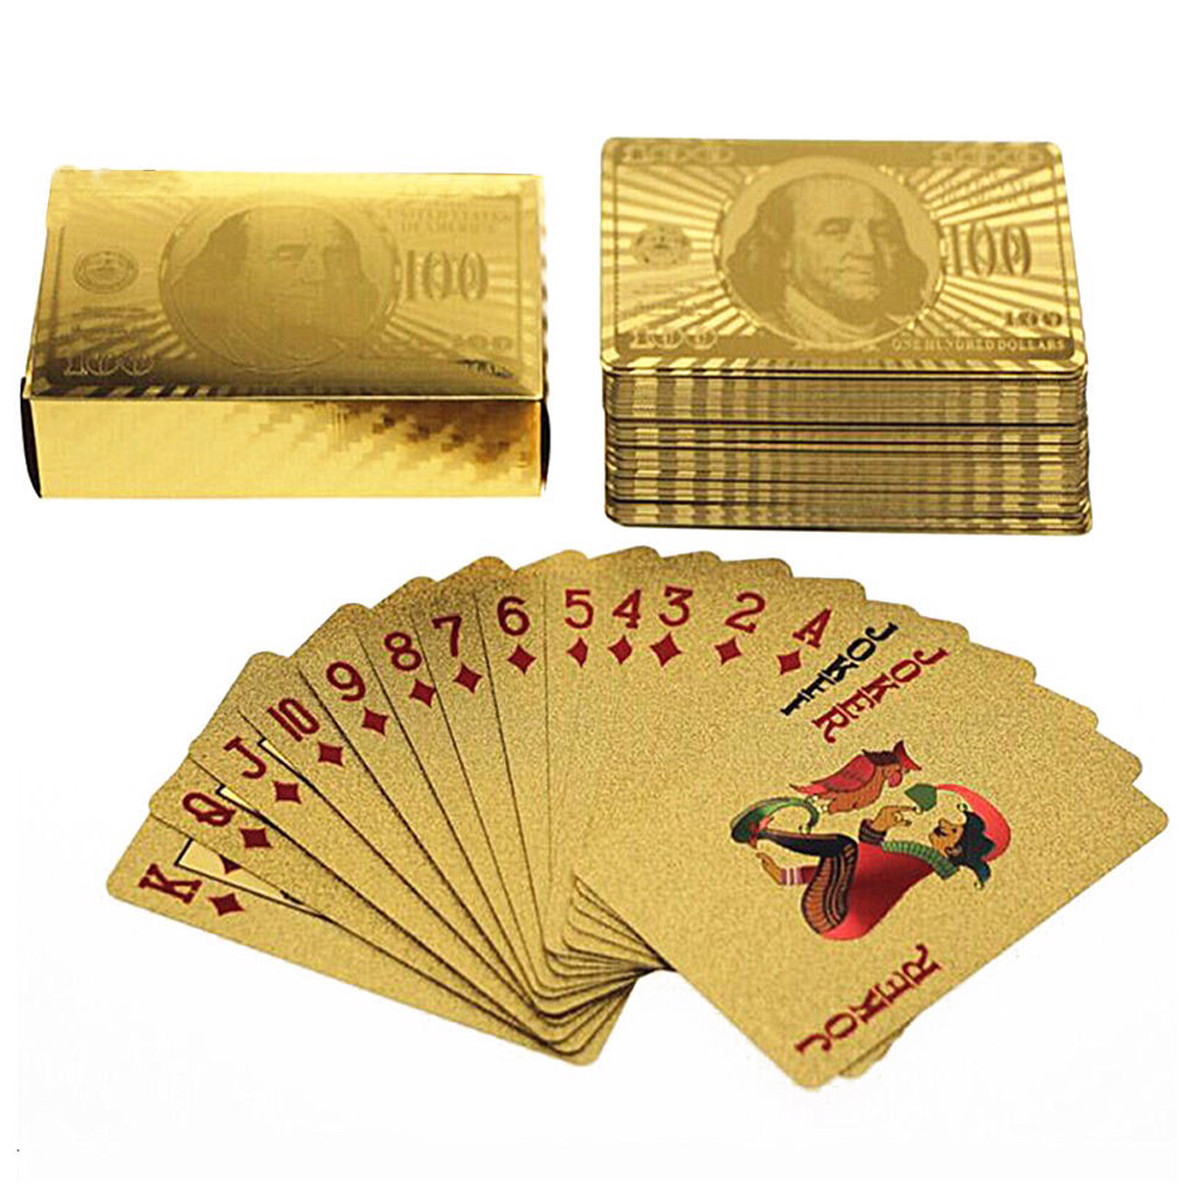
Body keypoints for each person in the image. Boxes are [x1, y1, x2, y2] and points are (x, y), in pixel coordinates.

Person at [735, 785, 1010, 940]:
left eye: (952, 830)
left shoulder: (918, 863)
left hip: (837, 916)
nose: (943, 822)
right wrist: (787, 876)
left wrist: (878, 828)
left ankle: (762, 833)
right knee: (844, 850)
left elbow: (859, 864)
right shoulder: (919, 860)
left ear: (953, 849)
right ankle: (762, 834)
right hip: (837, 914)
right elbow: (849, 872)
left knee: (843, 846)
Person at [726, 174, 929, 345]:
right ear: (783, 252)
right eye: (835, 231)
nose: (868, 250)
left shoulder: (905, 336)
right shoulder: (758, 337)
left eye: (881, 233)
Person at [168, 205, 380, 368]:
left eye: (334, 257)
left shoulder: (344, 358)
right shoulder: (209, 353)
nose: (319, 275)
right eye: (289, 256)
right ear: (235, 269)